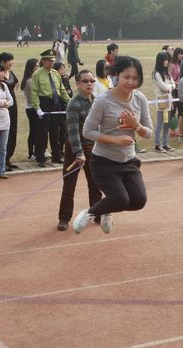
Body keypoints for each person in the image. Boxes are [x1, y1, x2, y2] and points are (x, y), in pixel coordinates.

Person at [74, 56, 153, 234]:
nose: (131, 82)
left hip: (129, 161)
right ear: (117, 75)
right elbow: (87, 131)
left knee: (139, 201)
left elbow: (148, 133)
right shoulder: (103, 100)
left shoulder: (140, 99)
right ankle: (90, 212)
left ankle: (106, 208)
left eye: (135, 78)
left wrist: (136, 126)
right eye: (126, 77)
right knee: (120, 200)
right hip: (104, 162)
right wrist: (115, 140)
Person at [57, 70, 102, 231]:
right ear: (78, 84)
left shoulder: (96, 101)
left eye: (92, 81)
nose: (89, 84)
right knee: (69, 186)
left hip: (93, 148)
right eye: (85, 81)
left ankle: (97, 213)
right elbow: (73, 132)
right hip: (75, 149)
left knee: (95, 184)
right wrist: (78, 153)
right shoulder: (73, 104)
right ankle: (64, 218)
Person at [30, 49, 71, 167]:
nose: (51, 63)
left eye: (53, 60)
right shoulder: (37, 74)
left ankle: (56, 156)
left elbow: (62, 90)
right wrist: (37, 108)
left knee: (55, 131)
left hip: (56, 103)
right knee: (42, 133)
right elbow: (34, 93)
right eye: (49, 60)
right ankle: (40, 157)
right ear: (43, 61)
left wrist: (70, 102)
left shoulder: (55, 73)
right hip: (45, 103)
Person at [0, 53, 19, 171]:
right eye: (9, 60)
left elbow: (16, 83)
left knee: (13, 132)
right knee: (4, 134)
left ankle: (8, 158)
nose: (11, 63)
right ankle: (1, 161)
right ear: (2, 62)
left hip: (13, 106)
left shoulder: (11, 73)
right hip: (3, 107)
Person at [151, 52, 175, 152]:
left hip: (169, 100)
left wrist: (170, 87)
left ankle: (165, 143)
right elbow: (163, 87)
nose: (167, 62)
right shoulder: (156, 73)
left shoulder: (167, 73)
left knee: (167, 123)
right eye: (165, 60)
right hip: (161, 101)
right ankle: (157, 144)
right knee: (160, 123)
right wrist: (169, 87)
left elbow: (173, 84)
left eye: (167, 60)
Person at [20, 58, 39, 161]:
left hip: (35, 108)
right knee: (34, 131)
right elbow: (32, 97)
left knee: (37, 131)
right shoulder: (29, 81)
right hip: (32, 109)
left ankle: (36, 151)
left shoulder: (34, 79)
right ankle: (31, 153)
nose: (38, 67)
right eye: (36, 66)